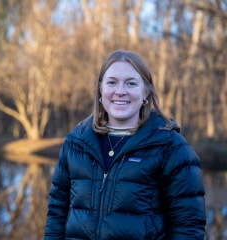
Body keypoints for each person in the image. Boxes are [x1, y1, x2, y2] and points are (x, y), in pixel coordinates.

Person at [44, 50, 206, 239]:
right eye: (112, 82)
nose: (120, 91)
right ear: (100, 89)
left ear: (145, 92)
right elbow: (56, 213)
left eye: (131, 83)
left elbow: (188, 227)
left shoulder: (172, 148)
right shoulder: (76, 144)